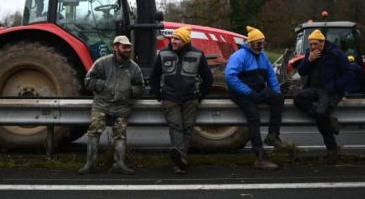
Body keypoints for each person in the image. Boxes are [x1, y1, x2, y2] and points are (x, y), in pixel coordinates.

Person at [150, 25, 213, 174]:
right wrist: (159, 94)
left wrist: (199, 95)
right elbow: (154, 76)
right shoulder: (163, 53)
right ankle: (180, 158)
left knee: (188, 127)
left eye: (177, 39)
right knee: (176, 126)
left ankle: (181, 160)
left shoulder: (197, 54)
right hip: (170, 97)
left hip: (190, 98)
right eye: (172, 38)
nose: (173, 41)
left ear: (185, 41)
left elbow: (208, 78)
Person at [78, 35, 144, 175]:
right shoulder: (102, 63)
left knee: (120, 135)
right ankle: (90, 164)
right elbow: (88, 81)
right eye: (124, 47)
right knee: (94, 130)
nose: (127, 50)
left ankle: (119, 164)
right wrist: (104, 85)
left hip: (122, 106)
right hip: (102, 104)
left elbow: (140, 87)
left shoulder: (134, 68)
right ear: (115, 47)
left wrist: (130, 91)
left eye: (129, 47)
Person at [225, 26, 284, 170]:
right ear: (250, 43)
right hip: (241, 92)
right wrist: (247, 91)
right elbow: (230, 76)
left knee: (278, 98)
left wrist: (276, 93)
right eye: (259, 43)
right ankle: (260, 157)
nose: (261, 46)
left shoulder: (263, 56)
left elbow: (271, 76)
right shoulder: (239, 56)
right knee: (254, 118)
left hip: (257, 90)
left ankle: (273, 135)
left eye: (263, 43)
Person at [294, 29, 351, 165]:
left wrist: (335, 87)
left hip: (329, 90)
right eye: (310, 44)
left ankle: (332, 149)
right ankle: (328, 120)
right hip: (313, 89)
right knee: (298, 99)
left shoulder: (335, 53)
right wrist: (309, 60)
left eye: (315, 44)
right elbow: (301, 71)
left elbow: (349, 73)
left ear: (322, 42)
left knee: (320, 114)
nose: (312, 47)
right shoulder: (310, 53)